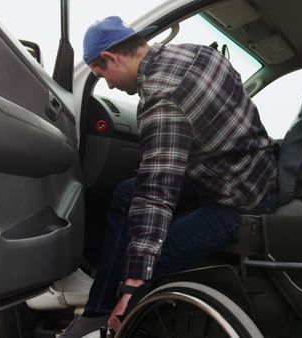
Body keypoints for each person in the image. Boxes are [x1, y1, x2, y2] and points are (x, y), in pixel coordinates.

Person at [61, 16, 278, 336]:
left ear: (111, 57)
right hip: (246, 169)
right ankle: (98, 308)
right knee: (125, 192)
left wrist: (133, 283)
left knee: (152, 260)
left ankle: (123, 318)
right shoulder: (201, 53)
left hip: (240, 200)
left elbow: (156, 195)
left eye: (102, 73)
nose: (107, 84)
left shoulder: (161, 98)